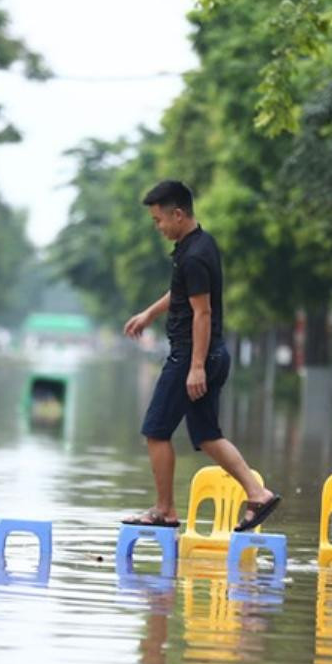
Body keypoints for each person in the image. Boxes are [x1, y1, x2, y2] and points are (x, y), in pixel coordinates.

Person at [123, 180, 280, 531]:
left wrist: (195, 366)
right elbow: (182, 295)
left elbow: (203, 313)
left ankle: (164, 510)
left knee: (156, 430)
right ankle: (258, 494)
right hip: (212, 355)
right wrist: (149, 314)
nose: (158, 227)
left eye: (159, 220)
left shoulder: (193, 255)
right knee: (207, 434)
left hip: (191, 357)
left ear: (178, 214)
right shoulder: (196, 246)